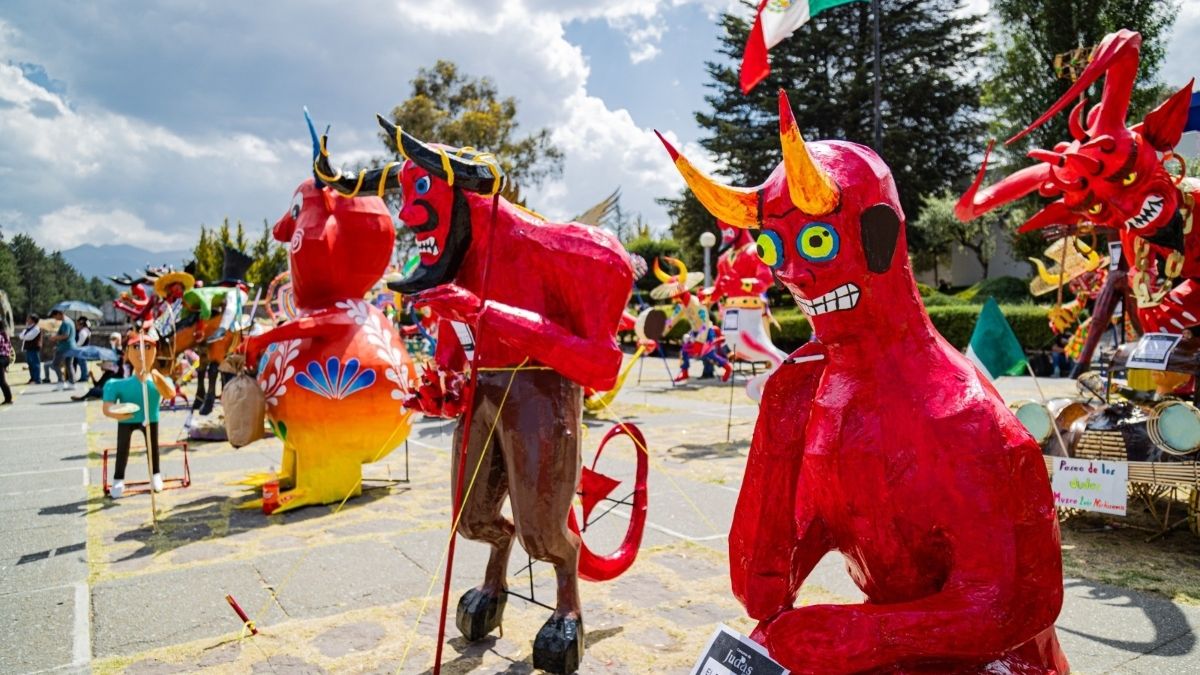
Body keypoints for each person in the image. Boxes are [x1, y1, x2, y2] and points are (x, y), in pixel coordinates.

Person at [102, 329, 174, 498]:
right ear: (127, 352)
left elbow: (170, 394)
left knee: (153, 447)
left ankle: (155, 475)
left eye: (148, 347)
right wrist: (116, 412)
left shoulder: (158, 381)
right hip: (127, 419)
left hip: (151, 418)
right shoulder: (117, 384)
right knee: (122, 448)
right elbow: (107, 407)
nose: (142, 352)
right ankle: (118, 479)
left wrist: (157, 377)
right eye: (135, 347)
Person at [48, 309, 76, 391]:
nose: (55, 319)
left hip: (64, 347)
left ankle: (61, 382)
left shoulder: (65, 323)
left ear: (59, 314)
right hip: (71, 346)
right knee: (69, 364)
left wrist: (54, 337)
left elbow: (65, 335)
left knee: (55, 364)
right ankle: (72, 383)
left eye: (55, 317)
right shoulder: (70, 321)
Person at [18, 315, 42, 384]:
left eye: (29, 319)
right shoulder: (28, 328)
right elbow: (20, 336)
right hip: (28, 349)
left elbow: (30, 337)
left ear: (33, 320)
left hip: (34, 348)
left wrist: (24, 336)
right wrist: (24, 336)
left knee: (35, 364)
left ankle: (37, 379)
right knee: (30, 364)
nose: (27, 320)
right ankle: (32, 378)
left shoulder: (36, 328)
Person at [0, 318, 14, 404]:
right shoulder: (4, 334)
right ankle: (8, 398)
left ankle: (8, 399)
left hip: (1, 358)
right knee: (2, 380)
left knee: (1, 381)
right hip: (5, 358)